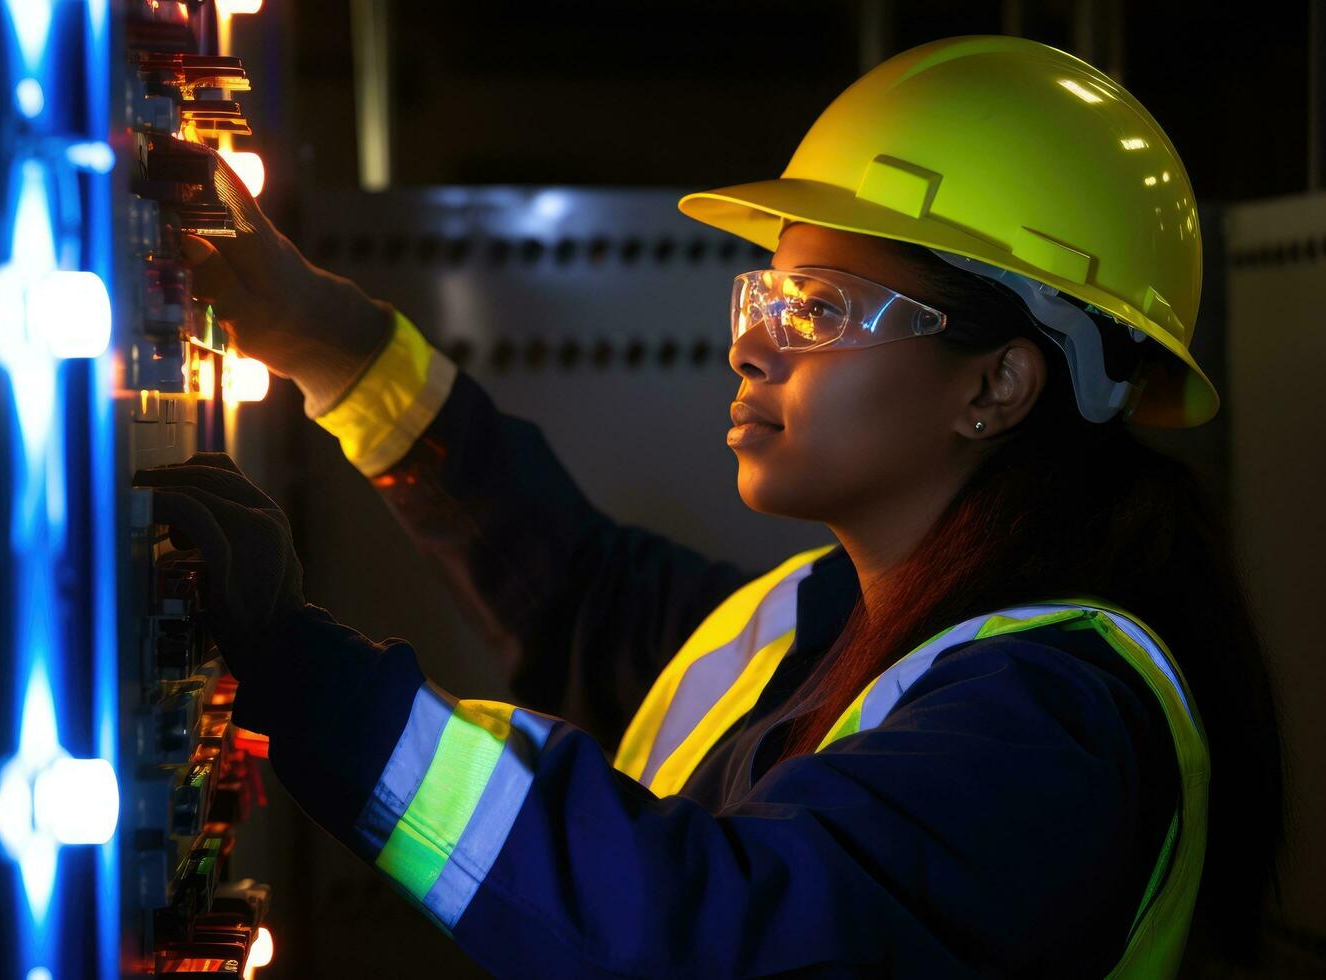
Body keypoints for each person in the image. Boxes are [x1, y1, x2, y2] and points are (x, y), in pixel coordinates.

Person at [136, 36, 1283, 977]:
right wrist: (331, 346)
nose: (748, 345)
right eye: (765, 294)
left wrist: (307, 673)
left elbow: (725, 938)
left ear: (998, 383)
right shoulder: (832, 616)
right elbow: (583, 592)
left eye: (820, 307)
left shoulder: (1047, 725)